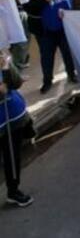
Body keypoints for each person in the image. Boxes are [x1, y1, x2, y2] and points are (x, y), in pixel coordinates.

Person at [24, 0, 77, 94]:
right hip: (44, 30)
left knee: (67, 53)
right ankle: (47, 81)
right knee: (46, 56)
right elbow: (27, 7)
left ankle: (72, 74)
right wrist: (43, 1)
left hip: (63, 26)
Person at [1, 53, 34, 207]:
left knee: (12, 156)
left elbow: (16, 83)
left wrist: (6, 67)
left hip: (14, 117)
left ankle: (13, 191)